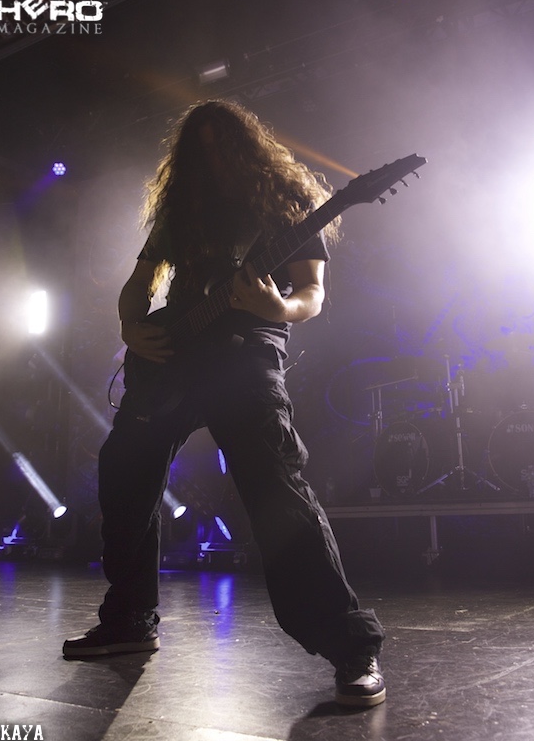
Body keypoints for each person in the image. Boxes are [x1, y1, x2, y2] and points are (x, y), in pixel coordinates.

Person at [63, 100, 386, 707]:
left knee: (276, 491)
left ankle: (351, 647)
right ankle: (130, 619)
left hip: (245, 354)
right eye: (200, 149)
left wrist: (277, 307)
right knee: (123, 468)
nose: (211, 159)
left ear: (247, 148)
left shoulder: (285, 208)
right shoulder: (181, 211)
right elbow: (140, 282)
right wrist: (131, 325)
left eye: (222, 146)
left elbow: (312, 293)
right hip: (173, 357)